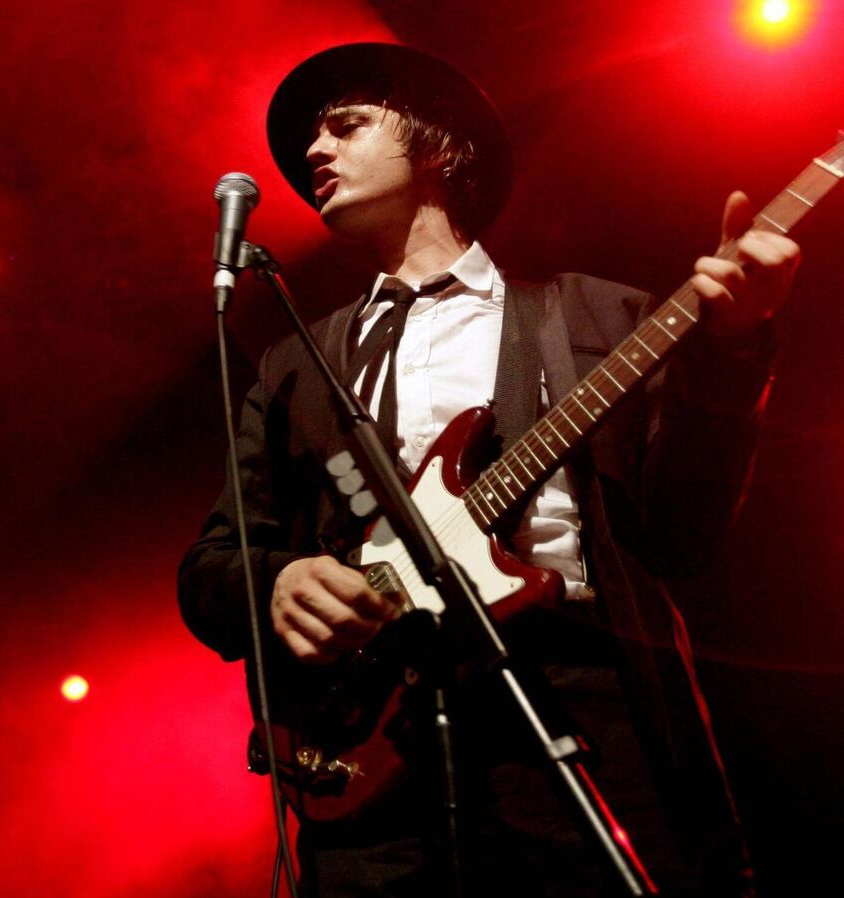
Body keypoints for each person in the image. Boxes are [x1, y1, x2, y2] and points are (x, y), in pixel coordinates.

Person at [178, 42, 800, 898]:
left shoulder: (595, 315)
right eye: (314, 139)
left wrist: (731, 353)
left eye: (347, 126)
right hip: (369, 746)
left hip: (577, 700)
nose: (314, 151)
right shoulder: (296, 367)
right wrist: (277, 583)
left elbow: (684, 535)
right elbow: (211, 565)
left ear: (437, 144)